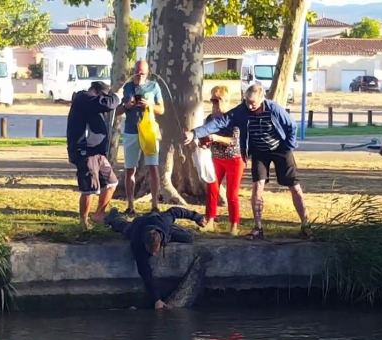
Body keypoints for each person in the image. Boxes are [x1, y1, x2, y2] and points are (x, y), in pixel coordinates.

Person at [184, 84, 309, 240]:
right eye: (247, 101)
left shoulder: (273, 109)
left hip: (280, 149)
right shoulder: (241, 110)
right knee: (257, 187)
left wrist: (288, 145)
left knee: (294, 186)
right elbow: (219, 123)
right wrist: (194, 133)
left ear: (262, 98)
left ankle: (305, 224)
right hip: (258, 151)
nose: (250, 106)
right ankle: (258, 228)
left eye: (253, 103)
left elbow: (292, 125)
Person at [104, 207, 207, 310]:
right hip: (138, 225)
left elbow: (175, 211)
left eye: (155, 251)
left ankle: (175, 229)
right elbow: (145, 272)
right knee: (124, 229)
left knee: (188, 238)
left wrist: (197, 217)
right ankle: (114, 216)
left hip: (160, 225)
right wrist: (157, 299)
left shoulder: (164, 222)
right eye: (150, 251)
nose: (153, 254)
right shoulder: (137, 242)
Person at [66, 81, 120, 229]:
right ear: (95, 91)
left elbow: (109, 106)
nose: (103, 100)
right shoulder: (83, 98)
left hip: (98, 152)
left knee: (111, 183)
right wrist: (117, 96)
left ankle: (98, 215)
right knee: (89, 189)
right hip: (85, 151)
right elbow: (109, 103)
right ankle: (83, 222)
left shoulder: (91, 103)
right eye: (102, 96)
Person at [115, 59, 165, 216]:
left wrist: (149, 104)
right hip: (131, 131)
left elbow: (161, 109)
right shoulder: (127, 87)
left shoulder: (154, 86)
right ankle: (130, 205)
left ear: (148, 72)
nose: (139, 75)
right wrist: (127, 106)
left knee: (153, 167)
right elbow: (116, 111)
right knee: (130, 169)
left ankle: (155, 205)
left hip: (149, 130)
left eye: (142, 72)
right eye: (137, 71)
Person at [199, 85, 243, 235]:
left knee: (232, 193)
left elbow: (233, 140)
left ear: (226, 100)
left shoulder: (234, 117)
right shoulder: (210, 118)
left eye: (217, 100)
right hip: (216, 158)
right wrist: (203, 142)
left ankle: (234, 225)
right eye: (212, 100)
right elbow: (204, 134)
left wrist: (216, 137)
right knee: (211, 189)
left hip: (234, 159)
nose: (215, 104)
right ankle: (210, 220)